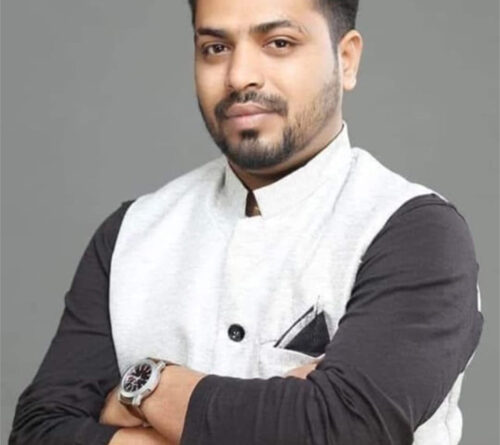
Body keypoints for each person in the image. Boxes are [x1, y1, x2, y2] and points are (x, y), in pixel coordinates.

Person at [9, 0, 484, 444]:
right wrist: (287, 413)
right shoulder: (131, 232)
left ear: (346, 60)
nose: (239, 76)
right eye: (215, 48)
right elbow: (37, 430)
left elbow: (338, 429)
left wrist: (147, 386)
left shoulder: (415, 233)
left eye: (279, 43)